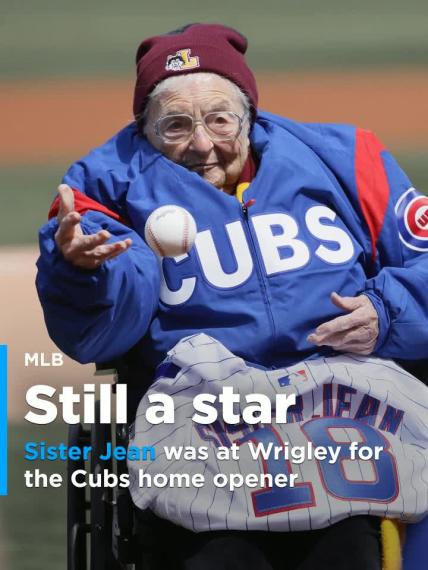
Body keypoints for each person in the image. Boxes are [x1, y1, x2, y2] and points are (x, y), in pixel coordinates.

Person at [36, 24, 428, 570]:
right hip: (206, 409)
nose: (201, 143)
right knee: (222, 553)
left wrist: (386, 312)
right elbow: (102, 330)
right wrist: (82, 272)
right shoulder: (101, 187)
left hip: (341, 398)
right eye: (175, 124)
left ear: (250, 114)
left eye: (220, 119)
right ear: (142, 126)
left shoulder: (348, 158)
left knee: (347, 547)